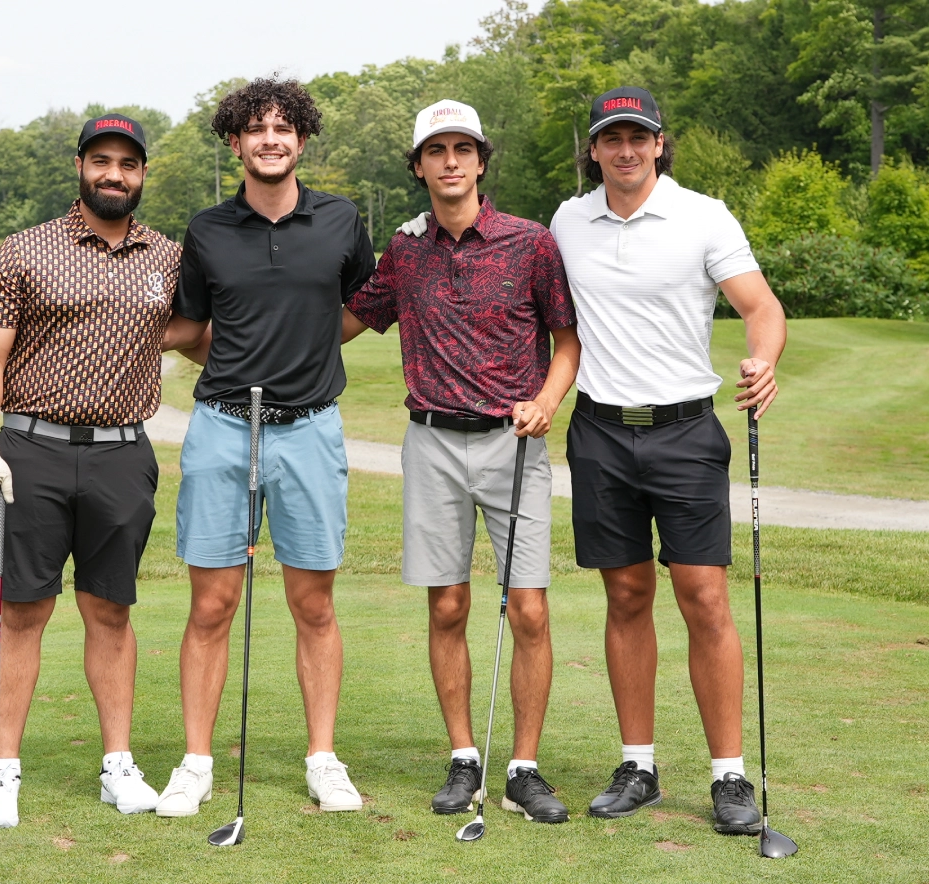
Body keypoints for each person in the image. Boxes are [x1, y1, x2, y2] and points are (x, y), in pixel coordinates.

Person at [547, 87, 787, 835]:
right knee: (625, 597)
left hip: (685, 431)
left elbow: (761, 307)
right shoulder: (567, 220)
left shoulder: (703, 215)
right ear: (593, 149)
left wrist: (763, 360)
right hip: (600, 432)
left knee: (705, 597)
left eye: (638, 138)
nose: (625, 150)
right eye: (611, 138)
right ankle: (640, 766)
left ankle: (730, 777)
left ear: (659, 144)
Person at [347, 100, 580, 823]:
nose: (450, 161)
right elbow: (348, 320)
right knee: (447, 604)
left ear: (481, 162)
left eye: (463, 149)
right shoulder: (405, 249)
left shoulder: (531, 242)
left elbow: (566, 339)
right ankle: (462, 758)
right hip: (432, 443)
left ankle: (524, 767)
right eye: (435, 151)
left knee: (530, 610)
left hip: (516, 443)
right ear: (418, 167)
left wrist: (547, 399)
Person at [0, 113, 195, 828]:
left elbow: (197, 333)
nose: (114, 174)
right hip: (29, 449)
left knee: (111, 610)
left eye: (128, 163)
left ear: (143, 173)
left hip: (123, 453)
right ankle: (2, 772)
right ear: (80, 165)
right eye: (102, 160)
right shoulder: (23, 252)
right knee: (23, 610)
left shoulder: (169, 257)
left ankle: (118, 766)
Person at [155, 78, 376, 817]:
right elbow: (189, 328)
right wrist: (226, 364)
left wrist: (307, 350)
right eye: (257, 129)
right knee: (212, 603)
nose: (271, 139)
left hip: (310, 429)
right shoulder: (207, 229)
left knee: (313, 603)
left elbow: (357, 309)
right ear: (235, 143)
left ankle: (323, 757)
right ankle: (195, 763)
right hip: (221, 429)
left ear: (303, 139)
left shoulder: (342, 221)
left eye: (284, 128)